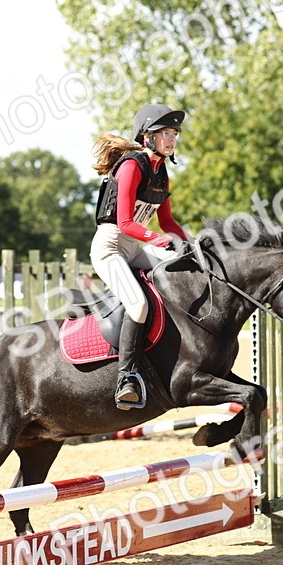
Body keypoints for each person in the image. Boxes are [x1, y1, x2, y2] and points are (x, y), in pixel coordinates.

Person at [90, 103, 190, 410]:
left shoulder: (162, 173)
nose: (172, 139)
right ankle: (127, 377)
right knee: (138, 304)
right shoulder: (132, 166)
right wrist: (159, 240)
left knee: (182, 271)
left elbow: (168, 223)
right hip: (110, 248)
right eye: (165, 133)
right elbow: (124, 223)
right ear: (147, 136)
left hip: (134, 247)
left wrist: (190, 244)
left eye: (174, 133)